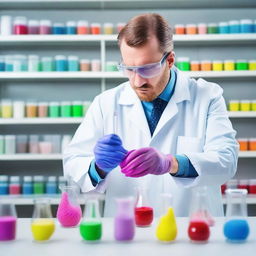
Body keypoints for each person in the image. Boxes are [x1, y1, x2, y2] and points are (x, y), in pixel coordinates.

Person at [63, 13, 238, 217]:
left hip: (190, 227)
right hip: (126, 227)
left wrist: (171, 163)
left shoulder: (207, 96)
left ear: (170, 60)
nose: (137, 81)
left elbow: (226, 162)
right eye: (129, 69)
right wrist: (98, 167)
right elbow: (73, 165)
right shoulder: (106, 102)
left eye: (147, 69)